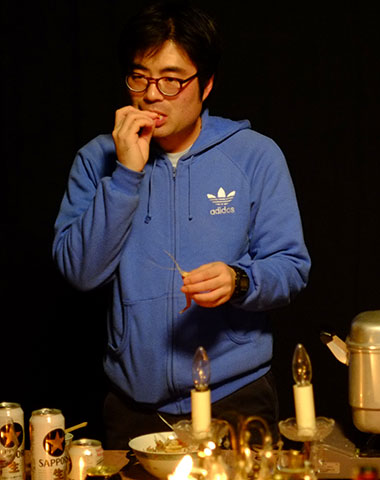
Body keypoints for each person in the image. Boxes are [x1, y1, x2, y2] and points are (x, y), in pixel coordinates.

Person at [52, 0, 310, 448]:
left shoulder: (255, 155)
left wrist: (240, 280)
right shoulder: (97, 160)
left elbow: (291, 267)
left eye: (172, 80)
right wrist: (126, 175)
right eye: (140, 77)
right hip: (135, 407)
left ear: (206, 84)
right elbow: (80, 271)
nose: (152, 95)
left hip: (235, 397)